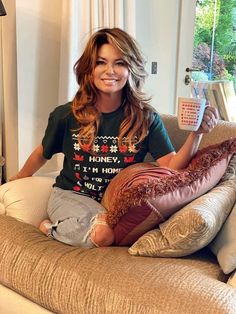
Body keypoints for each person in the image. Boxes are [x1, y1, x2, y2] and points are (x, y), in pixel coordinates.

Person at [10, 27, 218, 248]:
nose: (110, 70)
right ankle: (49, 228)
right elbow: (43, 153)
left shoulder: (146, 118)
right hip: (71, 195)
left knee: (118, 232)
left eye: (119, 63)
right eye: (101, 62)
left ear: (131, 69)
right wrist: (20, 177)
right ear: (89, 69)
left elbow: (173, 166)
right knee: (103, 236)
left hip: (115, 203)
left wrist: (197, 134)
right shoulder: (66, 116)